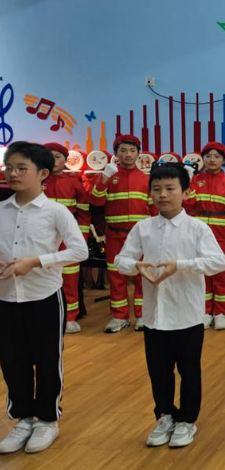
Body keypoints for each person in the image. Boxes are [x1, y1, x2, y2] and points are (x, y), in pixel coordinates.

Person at [115, 163, 225, 448]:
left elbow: (218, 262)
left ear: (186, 193)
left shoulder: (197, 228)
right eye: (156, 189)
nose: (162, 195)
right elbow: (121, 260)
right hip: (154, 316)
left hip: (187, 314)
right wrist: (136, 266)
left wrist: (181, 265)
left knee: (189, 371)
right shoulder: (143, 228)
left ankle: (187, 420)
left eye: (170, 188)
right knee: (158, 371)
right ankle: (165, 415)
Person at [0, 142, 88, 454]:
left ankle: (48, 420)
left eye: (22, 168)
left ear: (43, 174)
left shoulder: (56, 211)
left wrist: (36, 261)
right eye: (9, 167)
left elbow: (80, 250)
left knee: (47, 360)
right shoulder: (1, 210)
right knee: (12, 361)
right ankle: (23, 419)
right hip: (6, 299)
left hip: (44, 297)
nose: (13, 173)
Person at [89, 135, 155, 332]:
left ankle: (142, 315)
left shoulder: (147, 179)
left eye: (132, 150)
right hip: (115, 235)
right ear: (116, 153)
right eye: (123, 150)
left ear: (139, 154)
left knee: (142, 276)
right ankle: (119, 317)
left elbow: (154, 209)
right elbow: (96, 201)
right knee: (116, 275)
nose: (128, 154)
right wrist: (104, 179)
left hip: (141, 236)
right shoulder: (108, 177)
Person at [185, 142, 225, 330]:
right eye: (208, 156)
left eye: (217, 156)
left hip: (222, 234)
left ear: (223, 160)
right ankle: (205, 312)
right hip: (198, 234)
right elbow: (188, 205)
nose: (212, 160)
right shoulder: (194, 181)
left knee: (222, 274)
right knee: (202, 273)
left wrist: (220, 221)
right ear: (202, 159)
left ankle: (220, 314)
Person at [43, 142, 90, 334]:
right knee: (43, 276)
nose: (54, 160)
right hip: (42, 239)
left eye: (58, 156)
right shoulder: (34, 180)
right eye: (49, 156)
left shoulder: (74, 181)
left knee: (70, 279)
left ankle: (70, 318)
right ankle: (46, 317)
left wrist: (81, 237)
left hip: (66, 239)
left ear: (66, 159)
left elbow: (84, 212)